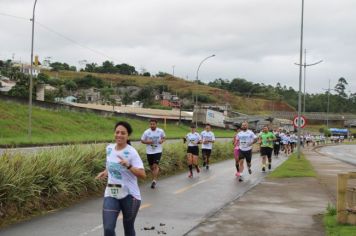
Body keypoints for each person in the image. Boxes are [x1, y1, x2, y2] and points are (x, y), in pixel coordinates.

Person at [96, 121, 146, 236]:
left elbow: (143, 174)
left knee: (128, 229)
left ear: (128, 136)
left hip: (130, 196)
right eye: (117, 132)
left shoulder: (132, 152)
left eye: (123, 133)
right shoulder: (109, 149)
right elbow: (110, 164)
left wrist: (128, 166)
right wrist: (105, 172)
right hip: (111, 193)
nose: (119, 135)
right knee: (108, 229)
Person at [141, 119, 166, 189]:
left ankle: (154, 181)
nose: (152, 125)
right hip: (149, 151)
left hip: (158, 151)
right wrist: (147, 142)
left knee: (155, 166)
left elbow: (164, 138)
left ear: (156, 124)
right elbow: (142, 140)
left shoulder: (160, 131)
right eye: (151, 124)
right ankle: (156, 171)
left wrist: (162, 141)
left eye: (153, 124)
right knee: (151, 167)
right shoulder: (146, 132)